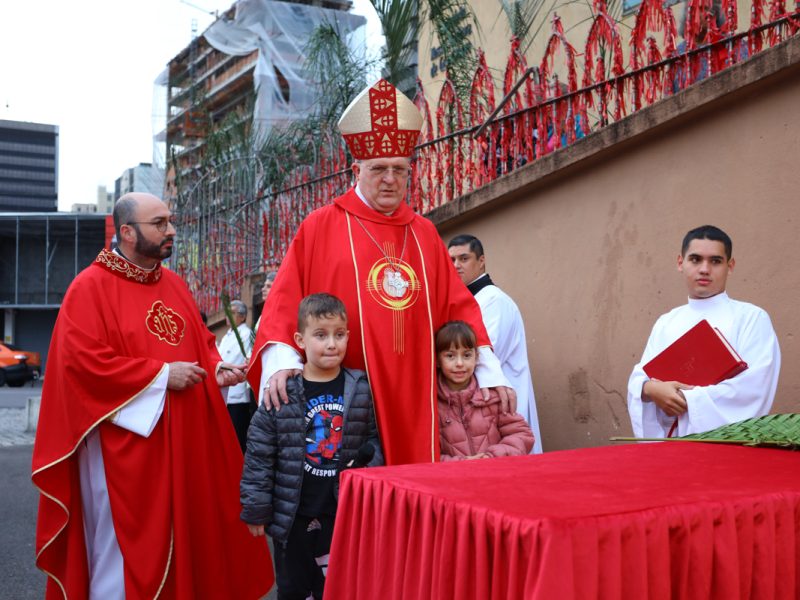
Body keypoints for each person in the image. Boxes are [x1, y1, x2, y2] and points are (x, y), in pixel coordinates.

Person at [248, 78, 514, 465]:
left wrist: (490, 371)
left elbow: (458, 308)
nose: (390, 179)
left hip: (415, 394)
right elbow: (285, 302)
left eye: (400, 170)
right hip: (342, 396)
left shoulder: (423, 232)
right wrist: (284, 362)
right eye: (379, 169)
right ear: (356, 168)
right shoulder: (321, 226)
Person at [31, 193, 273, 599]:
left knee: (187, 535)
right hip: (123, 448)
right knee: (121, 548)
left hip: (182, 441)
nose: (171, 230)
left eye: (170, 221)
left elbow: (197, 342)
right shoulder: (89, 288)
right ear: (126, 232)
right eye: (159, 223)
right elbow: (82, 365)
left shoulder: (173, 284)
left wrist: (214, 368)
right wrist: (161, 376)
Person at [241, 293, 383, 600]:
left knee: (336, 589)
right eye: (320, 335)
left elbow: (375, 441)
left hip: (340, 515)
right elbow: (259, 454)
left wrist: (365, 470)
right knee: (293, 589)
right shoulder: (282, 391)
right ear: (300, 340)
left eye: (339, 335)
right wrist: (256, 509)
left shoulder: (361, 388)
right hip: (293, 516)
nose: (332, 344)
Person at [627, 225, 781, 438]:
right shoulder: (667, 322)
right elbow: (641, 376)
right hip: (669, 447)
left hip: (728, 446)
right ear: (681, 263)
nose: (704, 269)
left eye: (715, 261)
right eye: (695, 259)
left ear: (730, 265)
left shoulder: (752, 318)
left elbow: (755, 388)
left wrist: (684, 399)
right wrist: (649, 389)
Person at [448, 234, 543, 453]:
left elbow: (482, 358)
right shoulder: (466, 301)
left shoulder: (494, 301)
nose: (456, 266)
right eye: (451, 260)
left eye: (464, 258)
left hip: (502, 409)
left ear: (481, 261)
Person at [436, 321, 534, 460]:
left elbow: (522, 435)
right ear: (438, 360)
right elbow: (425, 452)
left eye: (467, 355)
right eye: (450, 356)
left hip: (495, 475)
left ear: (477, 357)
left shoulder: (492, 397)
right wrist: (459, 463)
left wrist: (491, 457)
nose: (459, 363)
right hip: (453, 478)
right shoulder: (432, 405)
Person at [218, 299, 254, 452]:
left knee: (238, 437)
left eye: (232, 313)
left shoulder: (247, 334)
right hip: (223, 390)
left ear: (243, 317)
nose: (228, 316)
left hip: (238, 394)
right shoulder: (226, 336)